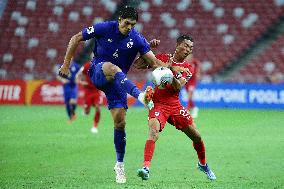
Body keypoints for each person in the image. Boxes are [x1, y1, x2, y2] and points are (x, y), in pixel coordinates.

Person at [58, 6, 170, 184]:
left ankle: (119, 164)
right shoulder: (104, 27)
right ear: (119, 20)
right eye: (126, 23)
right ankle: (139, 96)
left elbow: (153, 61)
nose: (129, 27)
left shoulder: (136, 39)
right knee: (111, 67)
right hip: (99, 71)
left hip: (118, 82)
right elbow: (76, 38)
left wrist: (169, 70)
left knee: (120, 122)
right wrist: (66, 64)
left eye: (133, 25)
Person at [136, 35, 216, 181]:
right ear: (178, 44)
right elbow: (138, 65)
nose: (188, 50)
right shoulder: (161, 57)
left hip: (174, 105)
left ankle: (203, 164)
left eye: (191, 48)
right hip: (158, 103)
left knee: (197, 137)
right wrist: (147, 49)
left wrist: (167, 72)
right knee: (153, 132)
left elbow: (177, 86)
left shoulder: (188, 67)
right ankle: (146, 167)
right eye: (185, 46)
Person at [76, 61, 103, 134]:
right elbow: (78, 74)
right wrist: (81, 82)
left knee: (98, 107)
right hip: (88, 91)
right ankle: (85, 109)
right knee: (87, 112)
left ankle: (94, 127)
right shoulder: (87, 65)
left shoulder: (103, 66)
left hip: (97, 91)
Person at [185, 54, 200, 118]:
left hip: (193, 81)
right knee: (189, 95)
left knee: (189, 94)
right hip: (186, 80)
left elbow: (198, 65)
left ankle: (187, 109)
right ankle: (194, 108)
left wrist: (198, 73)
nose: (188, 58)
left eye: (190, 56)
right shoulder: (185, 63)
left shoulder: (194, 62)